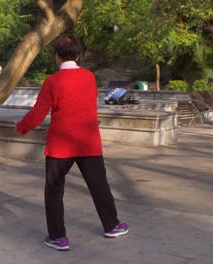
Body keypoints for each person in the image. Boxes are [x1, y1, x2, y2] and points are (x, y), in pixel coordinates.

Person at [15, 34, 128, 251]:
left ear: (57, 56)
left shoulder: (52, 82)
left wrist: (21, 127)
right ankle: (112, 226)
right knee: (99, 186)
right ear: (78, 55)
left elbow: (38, 113)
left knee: (54, 190)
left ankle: (58, 237)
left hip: (60, 146)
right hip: (88, 142)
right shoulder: (89, 77)